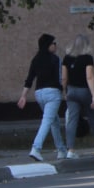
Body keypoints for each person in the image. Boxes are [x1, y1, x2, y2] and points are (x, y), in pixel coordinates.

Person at [18, 33, 69, 161]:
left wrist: (23, 96)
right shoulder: (55, 59)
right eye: (53, 43)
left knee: (54, 121)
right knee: (47, 120)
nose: (55, 45)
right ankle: (36, 148)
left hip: (39, 93)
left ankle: (62, 150)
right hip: (53, 93)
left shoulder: (35, 59)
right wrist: (64, 90)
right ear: (47, 45)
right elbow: (61, 77)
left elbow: (29, 79)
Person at [61, 34, 94, 157]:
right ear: (86, 45)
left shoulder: (66, 59)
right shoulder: (88, 58)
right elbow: (89, 77)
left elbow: (64, 78)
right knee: (93, 119)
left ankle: (70, 150)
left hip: (71, 91)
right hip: (85, 91)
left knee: (72, 121)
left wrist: (64, 92)